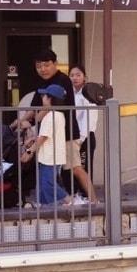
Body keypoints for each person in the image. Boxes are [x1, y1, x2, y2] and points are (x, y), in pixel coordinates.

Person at [23, 49, 93, 201]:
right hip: (51, 138)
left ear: (55, 64)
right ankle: (57, 202)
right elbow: (34, 107)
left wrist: (29, 125)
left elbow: (47, 109)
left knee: (75, 169)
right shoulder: (42, 82)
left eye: (46, 65)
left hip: (66, 135)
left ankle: (93, 201)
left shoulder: (62, 81)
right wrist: (20, 123)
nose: (42, 69)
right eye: (39, 66)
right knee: (50, 174)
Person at [21, 84, 71, 207]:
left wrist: (29, 151)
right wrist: (33, 139)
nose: (42, 97)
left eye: (44, 96)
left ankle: (68, 200)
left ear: (50, 99)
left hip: (50, 157)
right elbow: (47, 135)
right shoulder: (58, 115)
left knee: (47, 183)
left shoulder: (51, 116)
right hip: (51, 156)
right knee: (43, 183)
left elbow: (43, 137)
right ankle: (43, 205)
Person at [69, 65, 97, 184]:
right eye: (72, 75)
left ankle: (86, 193)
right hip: (73, 136)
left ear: (84, 77)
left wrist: (81, 139)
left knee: (84, 168)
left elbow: (89, 119)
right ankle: (75, 192)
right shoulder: (70, 94)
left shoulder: (89, 94)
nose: (75, 78)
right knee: (72, 168)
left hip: (85, 137)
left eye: (78, 75)